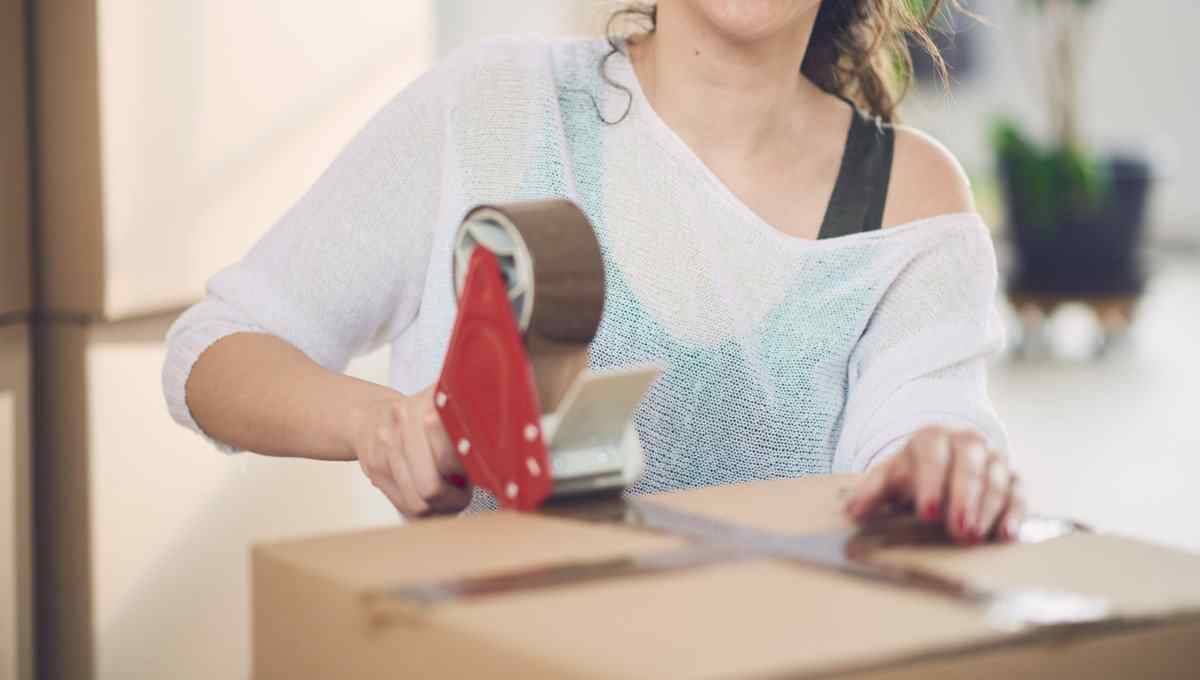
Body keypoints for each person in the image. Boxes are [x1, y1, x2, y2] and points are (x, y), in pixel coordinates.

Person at [163, 0, 1023, 543]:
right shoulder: (495, 105)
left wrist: (941, 465)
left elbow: (921, 433)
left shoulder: (911, 198)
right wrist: (378, 423)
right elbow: (215, 349)